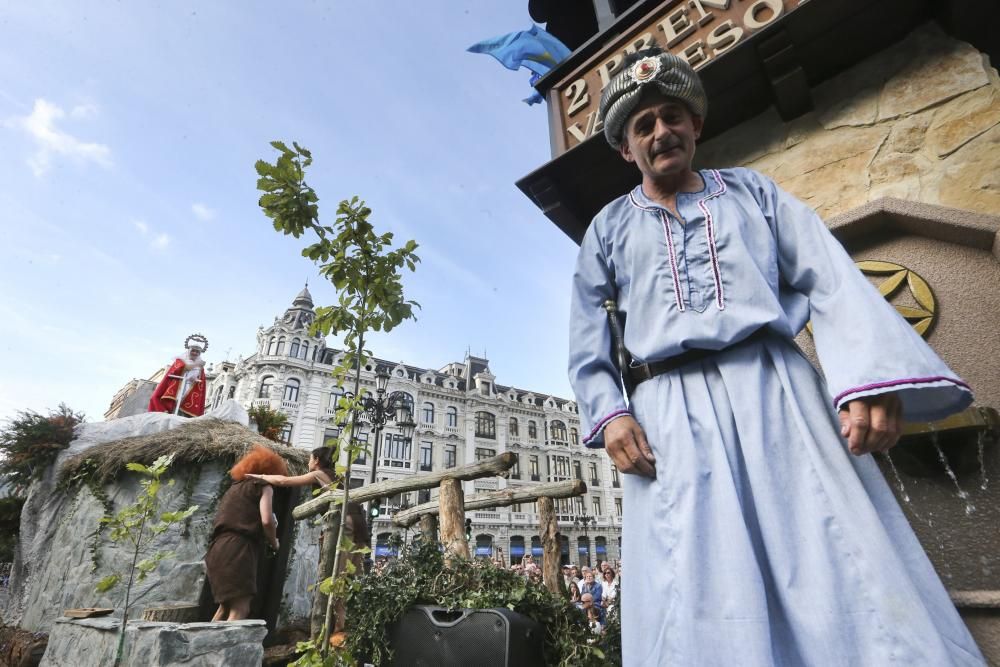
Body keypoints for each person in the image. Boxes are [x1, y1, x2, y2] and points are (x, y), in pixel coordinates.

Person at [568, 47, 985, 665]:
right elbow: (586, 336)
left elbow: (829, 275)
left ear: (696, 125)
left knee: (827, 548)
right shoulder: (606, 230)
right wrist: (610, 414)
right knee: (697, 573)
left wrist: (865, 379)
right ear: (627, 148)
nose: (662, 131)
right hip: (669, 416)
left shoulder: (753, 194)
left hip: (777, 390)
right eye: (644, 124)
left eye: (672, 115)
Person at [247, 446, 370, 639]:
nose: (308, 463)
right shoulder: (337, 477)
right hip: (360, 528)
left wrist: (258, 476)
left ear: (317, 461)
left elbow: (283, 480)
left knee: (336, 579)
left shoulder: (319, 474)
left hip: (346, 528)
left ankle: (338, 630)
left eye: (310, 459)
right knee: (349, 580)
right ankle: (346, 627)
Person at [204, 445, 287, 621]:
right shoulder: (263, 486)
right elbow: (267, 520)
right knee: (240, 608)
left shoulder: (234, 487)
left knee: (224, 607)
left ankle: (206, 647)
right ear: (269, 471)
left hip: (217, 548)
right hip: (239, 548)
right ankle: (225, 649)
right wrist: (274, 542)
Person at [148, 334, 208, 416]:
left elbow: (201, 382)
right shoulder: (180, 360)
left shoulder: (200, 367)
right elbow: (178, 370)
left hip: (190, 389)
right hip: (178, 386)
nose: (195, 353)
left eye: (197, 352)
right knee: (175, 402)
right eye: (193, 350)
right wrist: (195, 365)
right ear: (189, 351)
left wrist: (196, 375)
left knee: (184, 406)